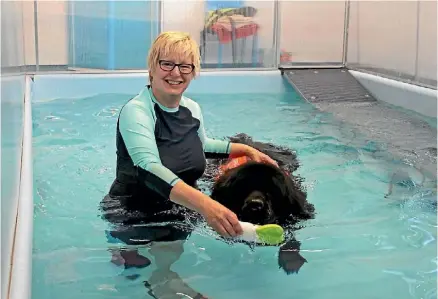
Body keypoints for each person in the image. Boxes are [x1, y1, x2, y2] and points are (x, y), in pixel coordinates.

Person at [100, 31, 278, 299]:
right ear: (152, 67)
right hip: (133, 211)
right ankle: (126, 255)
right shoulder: (137, 111)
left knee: (165, 266)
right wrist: (207, 206)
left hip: (178, 207)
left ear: (194, 72)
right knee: (131, 274)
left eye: (185, 66)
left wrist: (245, 149)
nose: (176, 73)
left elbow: (202, 144)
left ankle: (166, 279)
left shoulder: (192, 108)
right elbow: (147, 167)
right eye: (167, 63)